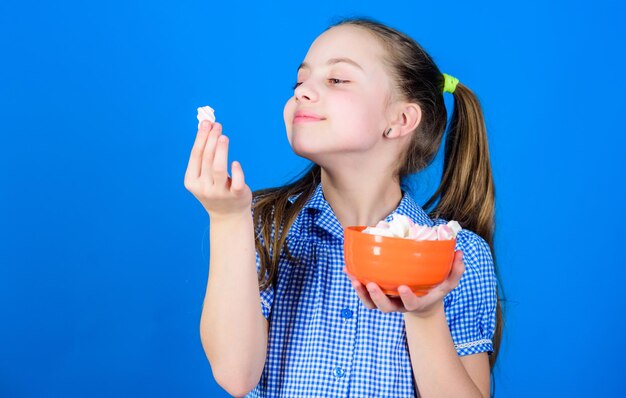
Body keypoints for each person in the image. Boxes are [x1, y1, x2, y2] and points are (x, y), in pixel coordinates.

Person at [185, 16, 502, 398]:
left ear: (400, 119)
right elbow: (235, 376)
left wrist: (424, 313)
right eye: (300, 81)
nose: (302, 92)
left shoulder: (457, 255)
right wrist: (225, 219)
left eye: (336, 80)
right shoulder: (263, 227)